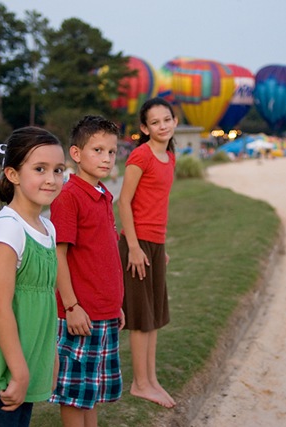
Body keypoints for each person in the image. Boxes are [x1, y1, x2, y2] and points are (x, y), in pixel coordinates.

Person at [0, 127, 66, 427]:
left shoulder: (47, 228)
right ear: (13, 174)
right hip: (1, 372)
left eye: (58, 170)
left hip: (28, 363)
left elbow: (44, 301)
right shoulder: (8, 228)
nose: (51, 178)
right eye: (40, 169)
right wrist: (18, 371)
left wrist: (50, 358)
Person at [48, 115, 125, 427]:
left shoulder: (103, 194)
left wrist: (115, 305)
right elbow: (58, 255)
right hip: (79, 313)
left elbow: (103, 256)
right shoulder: (69, 197)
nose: (106, 158)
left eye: (111, 151)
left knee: (89, 392)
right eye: (97, 150)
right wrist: (71, 306)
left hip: (104, 311)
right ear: (76, 154)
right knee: (73, 393)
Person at [117, 97, 177, 409]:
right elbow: (123, 202)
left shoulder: (169, 157)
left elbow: (157, 205)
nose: (162, 126)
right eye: (155, 122)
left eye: (166, 120)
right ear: (144, 128)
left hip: (155, 245)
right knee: (141, 319)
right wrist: (136, 248)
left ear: (174, 121)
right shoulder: (141, 157)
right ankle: (140, 384)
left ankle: (150, 380)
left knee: (154, 316)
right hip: (136, 246)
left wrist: (159, 249)